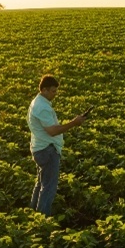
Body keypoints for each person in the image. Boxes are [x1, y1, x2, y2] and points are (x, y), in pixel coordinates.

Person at [27, 75, 86, 216]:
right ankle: (42, 218)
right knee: (48, 187)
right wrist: (74, 123)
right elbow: (52, 131)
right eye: (53, 91)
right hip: (46, 150)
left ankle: (32, 212)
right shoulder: (42, 107)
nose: (55, 94)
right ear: (44, 90)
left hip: (39, 148)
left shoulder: (38, 102)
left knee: (41, 183)